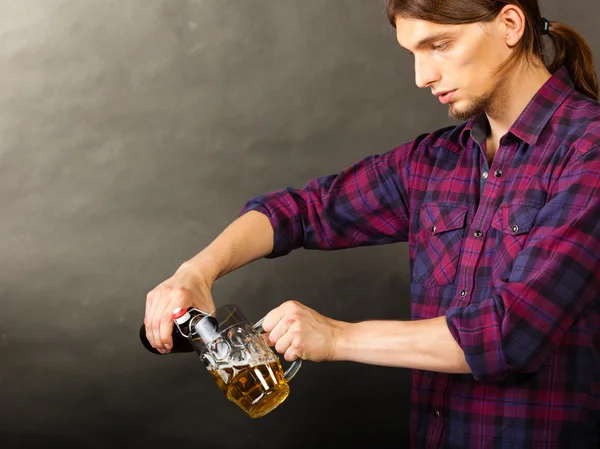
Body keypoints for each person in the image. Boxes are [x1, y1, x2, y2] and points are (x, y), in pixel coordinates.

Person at [144, 1, 600, 447]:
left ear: (510, 24)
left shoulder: (588, 150)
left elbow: (512, 333)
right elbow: (301, 210)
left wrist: (336, 337)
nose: (423, 77)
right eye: (413, 54)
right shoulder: (435, 161)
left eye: (439, 45)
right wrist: (195, 273)